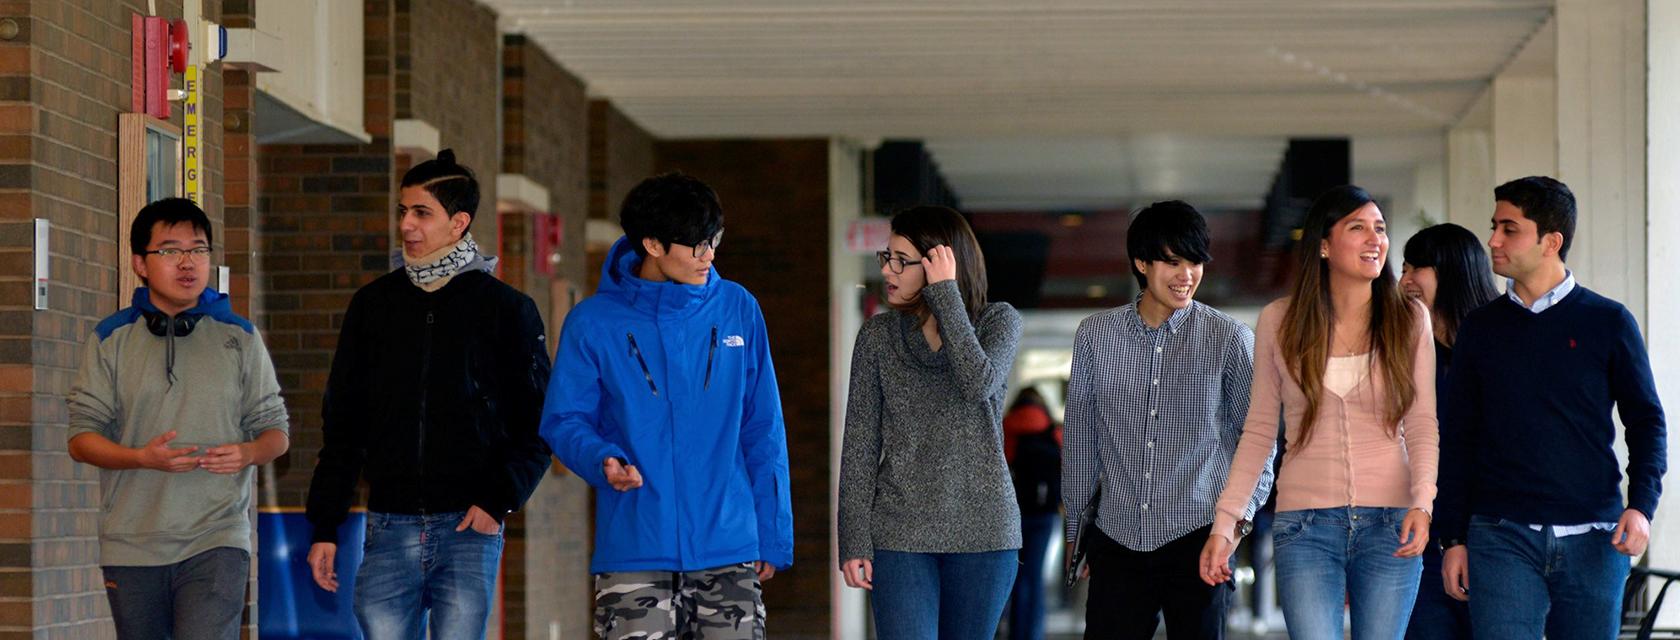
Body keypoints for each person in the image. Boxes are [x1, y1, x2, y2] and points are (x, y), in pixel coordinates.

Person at [304, 150, 553, 639]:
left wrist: (497, 500)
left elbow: (538, 421)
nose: (407, 226)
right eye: (402, 211)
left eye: (422, 213)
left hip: (469, 524)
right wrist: (325, 525)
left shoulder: (507, 310)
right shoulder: (374, 306)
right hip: (389, 523)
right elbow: (344, 424)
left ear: (458, 222)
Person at [541, 172, 793, 639]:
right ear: (652, 244)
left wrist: (771, 533)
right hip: (635, 546)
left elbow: (763, 427)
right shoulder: (593, 323)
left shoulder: (738, 308)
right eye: (696, 245)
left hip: (729, 545)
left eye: (713, 240)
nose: (709, 255)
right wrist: (603, 460)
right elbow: (564, 419)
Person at [1200, 185, 1438, 640]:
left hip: (1392, 523)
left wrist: (1423, 503)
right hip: (1305, 526)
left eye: (1380, 229)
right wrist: (1226, 524)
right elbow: (1259, 431)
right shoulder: (1280, 321)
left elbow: (1423, 423)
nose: (1375, 239)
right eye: (1358, 227)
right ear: (1324, 246)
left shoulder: (1409, 319)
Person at [1437, 176, 1666, 639]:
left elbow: (1646, 422)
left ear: (1551, 241)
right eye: (1494, 226)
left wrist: (1641, 506)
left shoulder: (1609, 321)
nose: (1493, 240)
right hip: (1499, 534)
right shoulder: (1480, 330)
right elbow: (1458, 437)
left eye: (1509, 228)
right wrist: (1454, 538)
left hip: (1597, 540)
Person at [67, 197, 290, 639]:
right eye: (170, 250)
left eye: (199, 250)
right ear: (140, 263)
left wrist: (248, 451)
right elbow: (80, 438)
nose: (188, 262)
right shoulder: (111, 339)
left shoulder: (241, 338)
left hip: (217, 537)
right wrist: (141, 458)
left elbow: (276, 431)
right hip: (132, 543)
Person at [1063, 200, 1270, 639]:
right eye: (1172, 261)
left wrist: (1233, 529)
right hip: (1117, 537)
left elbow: (1256, 442)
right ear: (1141, 262)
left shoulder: (1229, 339)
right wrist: (1077, 536)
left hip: (1200, 536)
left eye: (1195, 262)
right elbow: (1082, 440)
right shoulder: (1095, 337)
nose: (1187, 275)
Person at [838, 205, 1024, 639]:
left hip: (985, 532)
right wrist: (853, 539)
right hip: (900, 532)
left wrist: (945, 296)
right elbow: (860, 445)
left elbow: (978, 383)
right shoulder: (878, 336)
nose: (889, 271)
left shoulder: (999, 321)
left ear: (942, 263)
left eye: (902, 261)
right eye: (887, 258)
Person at [1397, 223, 1498, 640]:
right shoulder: (1401, 352)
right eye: (1402, 269)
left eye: (1415, 269)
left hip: (1494, 535)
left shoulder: (1499, 349)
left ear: (1451, 272)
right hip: (1419, 536)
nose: (1404, 281)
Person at [1004, 387, 1061, 640]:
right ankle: (1033, 633)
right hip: (1045, 514)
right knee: (1034, 577)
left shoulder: (1006, 426)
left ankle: (1014, 632)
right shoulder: (1052, 428)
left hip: (1011, 514)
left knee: (1014, 577)